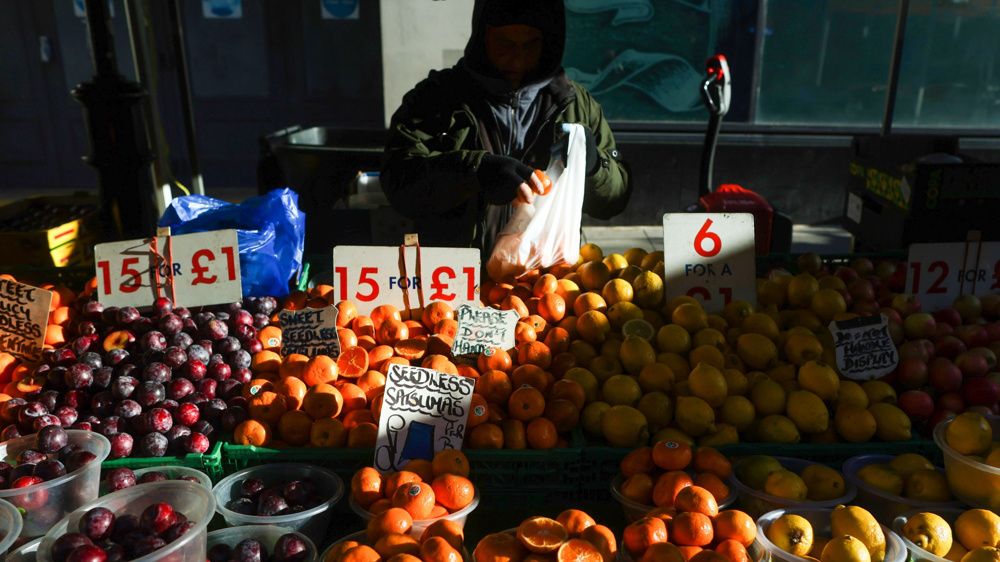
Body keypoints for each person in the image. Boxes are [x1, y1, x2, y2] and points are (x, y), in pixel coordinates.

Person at [380, 0, 632, 265]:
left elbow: (614, 202)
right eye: (505, 44)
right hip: (453, 279)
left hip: (546, 288)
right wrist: (475, 172)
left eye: (531, 44)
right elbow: (399, 183)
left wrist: (594, 166)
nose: (518, 59)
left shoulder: (576, 104)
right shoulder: (435, 99)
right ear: (482, 36)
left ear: (549, 42)